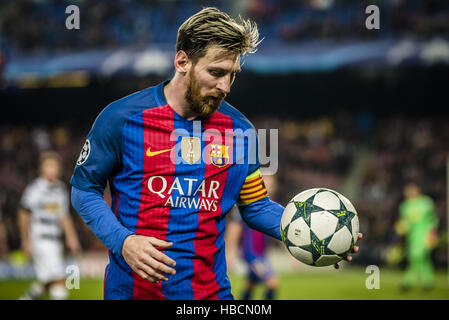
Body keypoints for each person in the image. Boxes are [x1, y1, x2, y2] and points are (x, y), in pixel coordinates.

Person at [70, 7, 361, 300]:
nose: (225, 86)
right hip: (132, 293)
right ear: (182, 61)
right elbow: (84, 189)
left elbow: (256, 206)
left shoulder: (241, 132)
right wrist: (124, 242)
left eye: (232, 75)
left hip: (211, 296)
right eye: (216, 72)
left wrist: (315, 233)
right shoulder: (122, 118)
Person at [18, 151, 80, 300]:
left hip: (55, 239)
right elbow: (23, 214)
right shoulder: (35, 189)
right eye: (49, 166)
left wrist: (72, 238)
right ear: (42, 169)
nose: (52, 169)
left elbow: (64, 216)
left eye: (55, 166)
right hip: (40, 238)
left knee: (46, 281)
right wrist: (25, 240)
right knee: (58, 280)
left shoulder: (60, 189)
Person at [396, 182, 438, 291]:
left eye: (410, 190)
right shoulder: (404, 206)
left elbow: (433, 220)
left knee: (417, 258)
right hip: (412, 238)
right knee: (422, 260)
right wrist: (401, 227)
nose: (408, 192)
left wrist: (433, 234)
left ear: (417, 190)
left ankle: (408, 282)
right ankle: (427, 282)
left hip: (425, 236)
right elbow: (405, 223)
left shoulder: (426, 202)